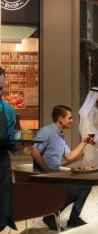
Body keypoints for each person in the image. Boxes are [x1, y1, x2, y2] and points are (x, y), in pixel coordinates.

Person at [31, 105, 94, 229]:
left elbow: (70, 157)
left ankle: (73, 219)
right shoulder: (46, 131)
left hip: (56, 174)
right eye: (69, 118)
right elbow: (35, 153)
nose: (72, 120)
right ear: (61, 119)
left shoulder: (60, 136)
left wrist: (84, 143)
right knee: (74, 191)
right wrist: (48, 172)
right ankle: (50, 215)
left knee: (86, 185)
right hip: (44, 176)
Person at [0, 68, 23, 231]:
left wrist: (20, 145)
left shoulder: (8, 109)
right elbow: (10, 140)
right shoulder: (7, 109)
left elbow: (11, 140)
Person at [79, 87, 98, 166]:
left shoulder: (93, 107)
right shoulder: (91, 109)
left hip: (97, 136)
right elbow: (88, 124)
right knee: (96, 159)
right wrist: (92, 138)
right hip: (93, 138)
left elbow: (97, 125)